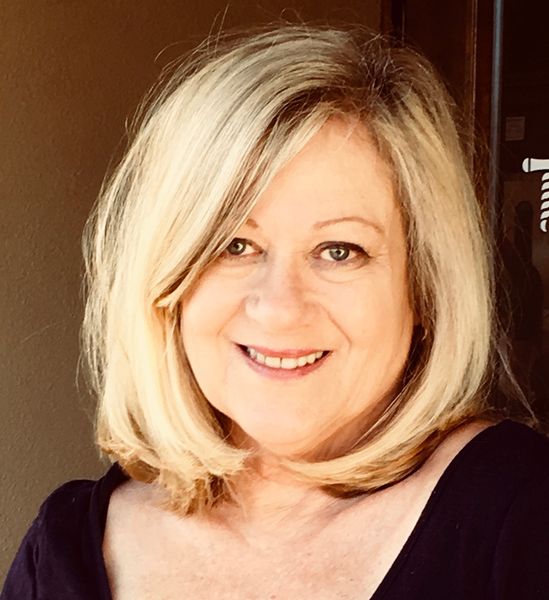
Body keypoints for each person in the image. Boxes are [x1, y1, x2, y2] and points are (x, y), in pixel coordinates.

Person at [3, 24, 549, 600]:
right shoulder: (63, 551)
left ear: (423, 288)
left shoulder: (525, 521)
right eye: (235, 245)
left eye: (340, 251)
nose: (280, 309)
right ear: (168, 280)